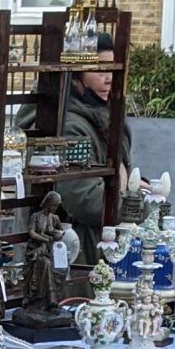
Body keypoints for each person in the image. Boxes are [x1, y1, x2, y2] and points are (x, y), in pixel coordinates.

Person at [57, 69, 118, 253]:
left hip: (99, 246)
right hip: (78, 252)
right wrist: (136, 202)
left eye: (113, 70)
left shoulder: (105, 117)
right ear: (75, 79)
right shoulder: (70, 128)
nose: (109, 79)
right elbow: (86, 201)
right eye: (100, 71)